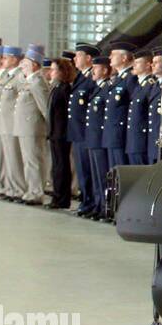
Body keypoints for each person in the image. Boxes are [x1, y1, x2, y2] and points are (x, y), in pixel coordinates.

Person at [13, 45, 50, 206]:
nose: (22, 66)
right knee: (28, 161)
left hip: (33, 128)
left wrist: (49, 129)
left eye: (26, 64)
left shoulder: (37, 83)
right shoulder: (28, 81)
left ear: (35, 65)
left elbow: (45, 109)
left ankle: (36, 193)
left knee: (34, 161)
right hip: (25, 127)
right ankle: (31, 190)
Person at [68, 43, 99, 216]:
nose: (75, 59)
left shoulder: (92, 79)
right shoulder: (80, 77)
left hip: (87, 132)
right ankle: (86, 201)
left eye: (78, 55)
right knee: (82, 171)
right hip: (78, 132)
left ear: (88, 58)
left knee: (89, 171)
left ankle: (92, 202)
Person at [83, 55, 112, 220]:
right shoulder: (97, 88)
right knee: (96, 176)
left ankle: (105, 207)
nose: (93, 71)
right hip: (93, 138)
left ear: (105, 70)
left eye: (96, 68)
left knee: (102, 175)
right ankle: (98, 204)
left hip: (100, 138)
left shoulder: (107, 88)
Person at [0, 46, 26, 201]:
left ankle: (19, 189)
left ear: (15, 59)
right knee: (8, 158)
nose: (2, 60)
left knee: (15, 158)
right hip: (3, 124)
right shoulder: (6, 76)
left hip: (13, 124)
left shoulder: (20, 76)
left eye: (6, 58)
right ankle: (11, 188)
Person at [103, 41, 139, 170]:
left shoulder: (131, 78)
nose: (110, 57)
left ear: (124, 58)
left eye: (113, 54)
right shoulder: (118, 78)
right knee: (113, 171)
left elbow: (133, 105)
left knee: (121, 170)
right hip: (112, 133)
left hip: (121, 133)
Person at [46, 58, 74, 210]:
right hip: (54, 132)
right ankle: (57, 196)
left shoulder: (65, 89)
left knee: (62, 166)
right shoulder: (56, 88)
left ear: (62, 72)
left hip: (61, 133)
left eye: (54, 69)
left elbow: (66, 114)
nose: (51, 72)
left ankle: (62, 198)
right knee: (57, 165)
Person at [126, 48, 157, 165]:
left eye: (137, 62)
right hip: (134, 140)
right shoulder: (139, 85)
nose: (134, 65)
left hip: (142, 140)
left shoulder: (150, 86)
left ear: (148, 65)